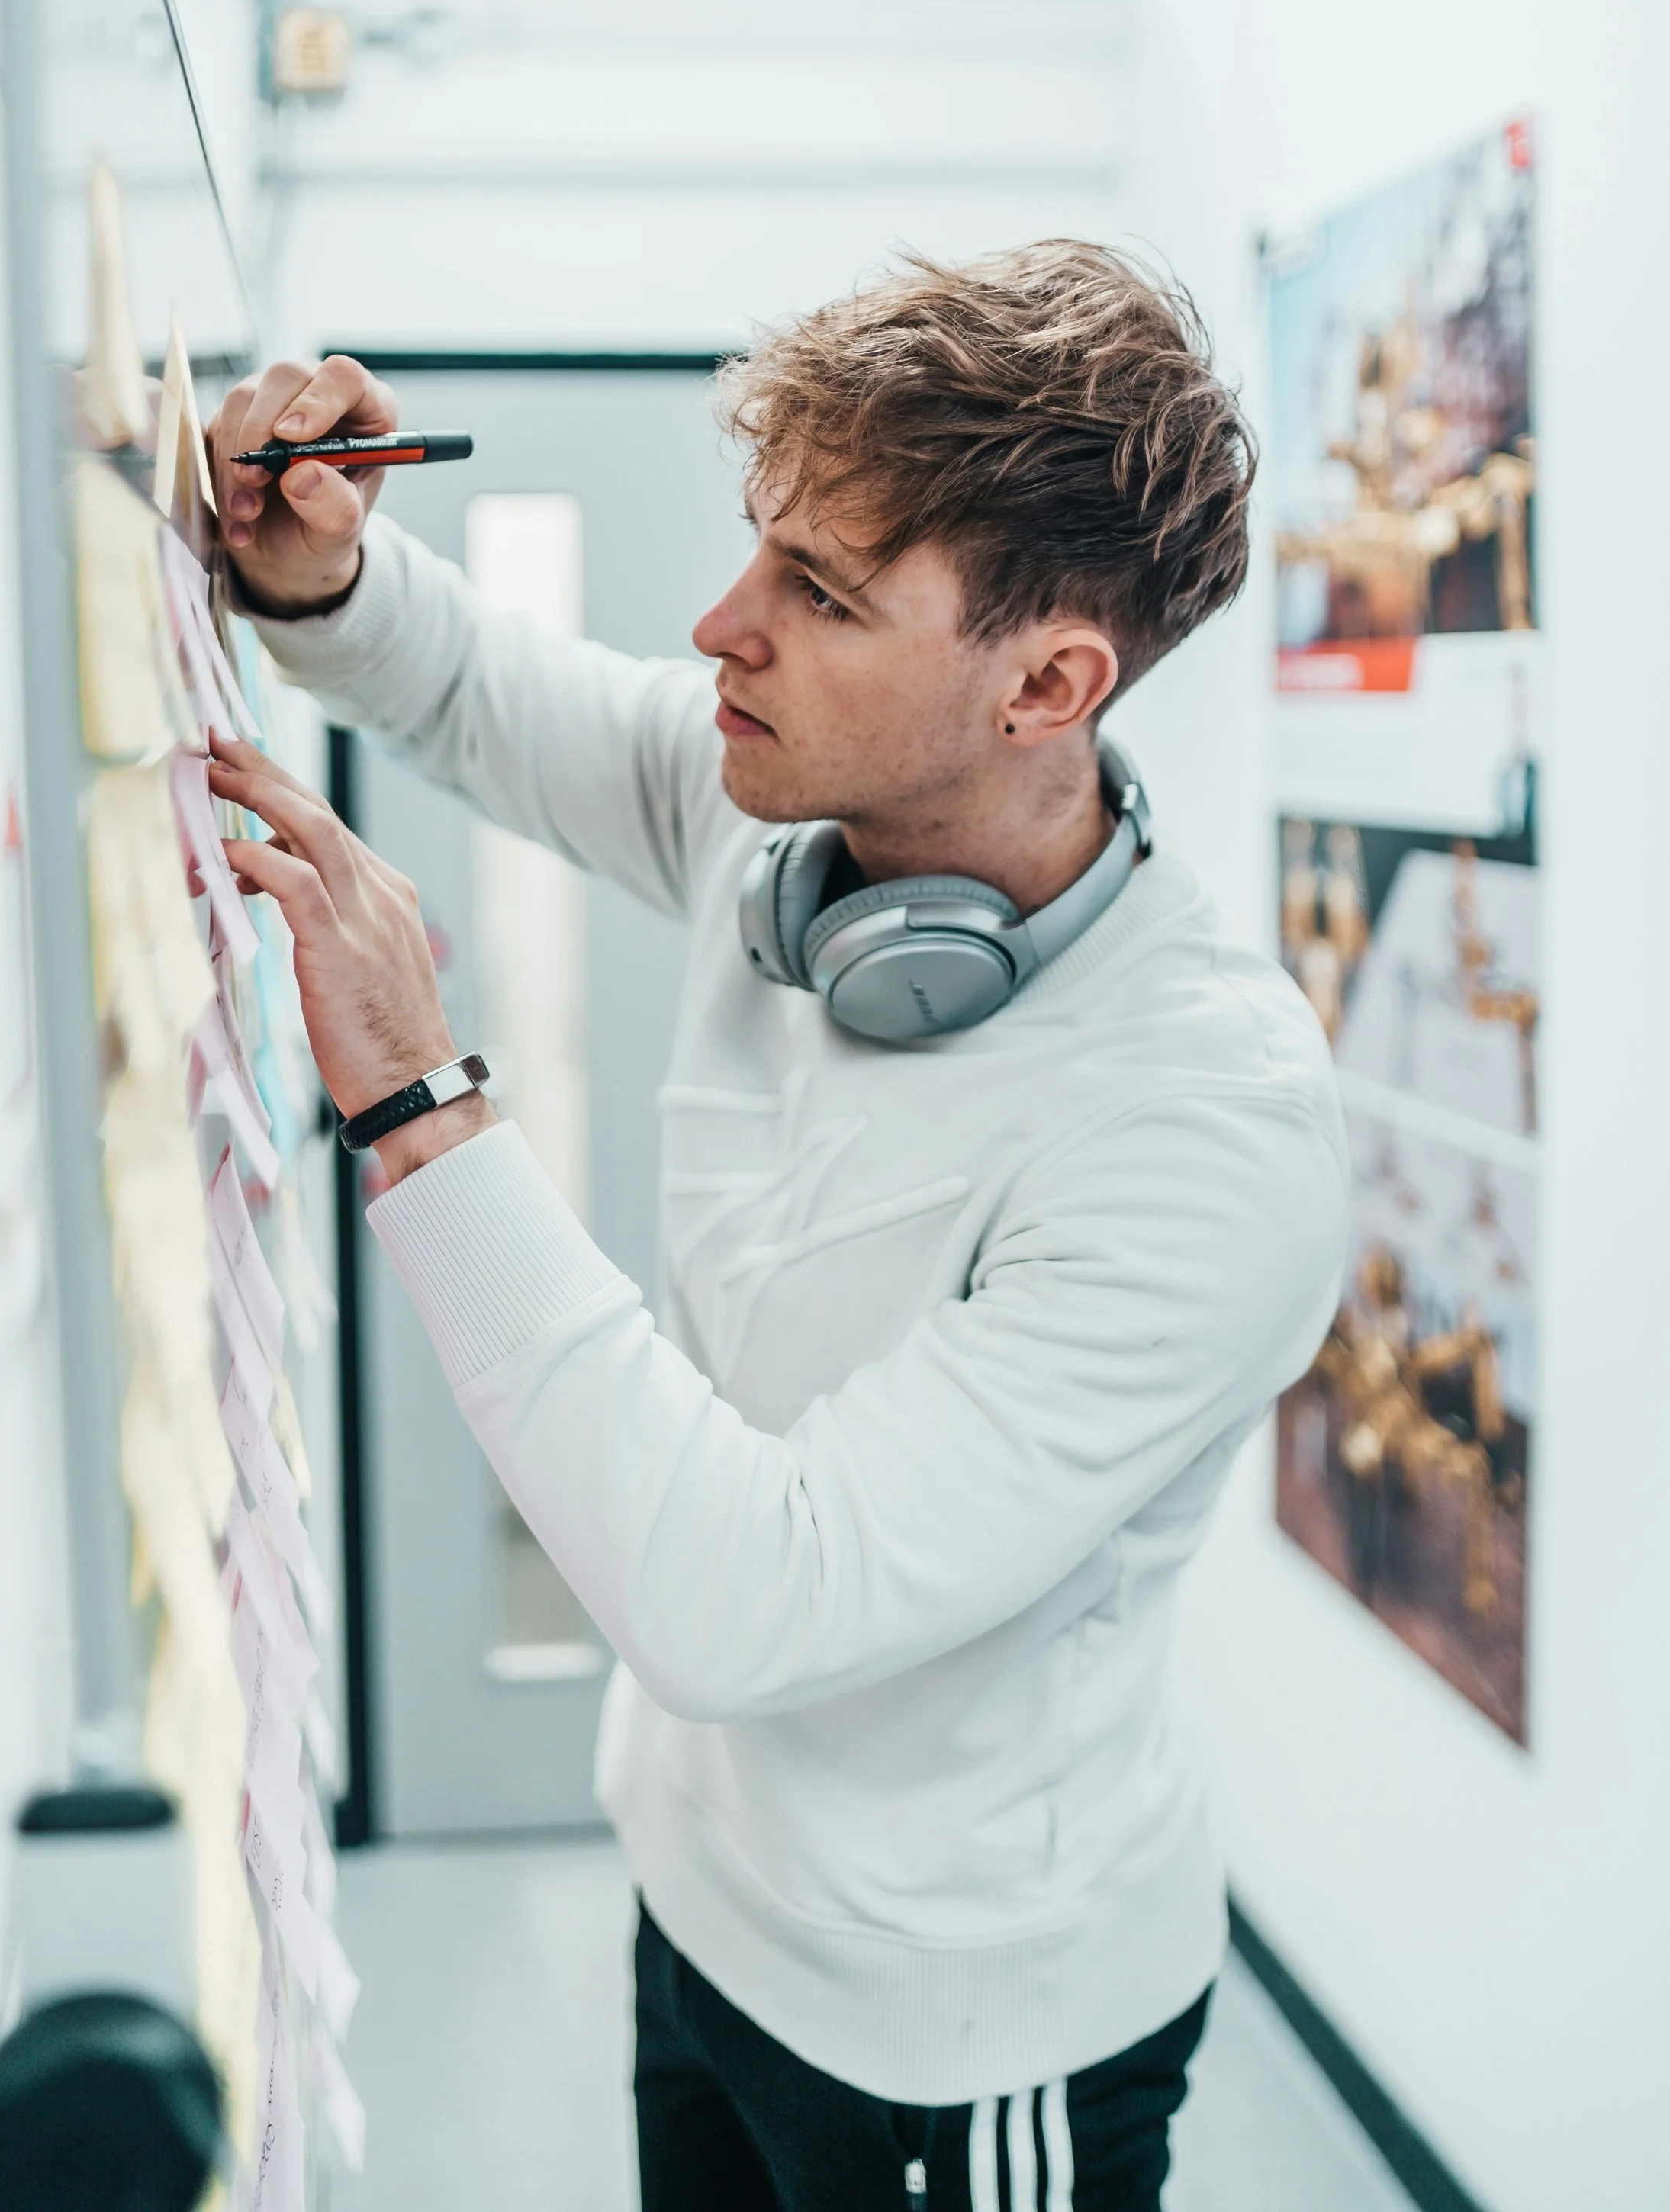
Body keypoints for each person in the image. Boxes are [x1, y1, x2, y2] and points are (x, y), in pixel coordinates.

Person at [208, 243, 1347, 2212]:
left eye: (817, 593)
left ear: (1051, 682)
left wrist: (420, 1103)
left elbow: (754, 1596)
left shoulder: (1206, 1131)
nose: (722, 625)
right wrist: (316, 566)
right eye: (764, 550)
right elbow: (482, 687)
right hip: (706, 1900)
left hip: (960, 2030)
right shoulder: (789, 826)